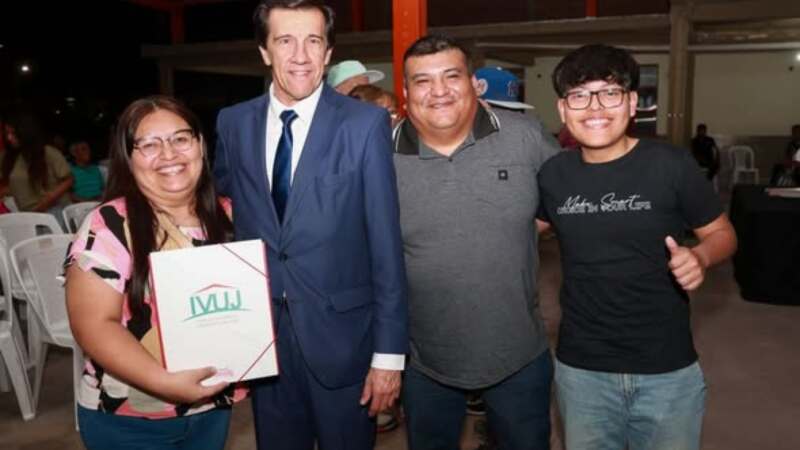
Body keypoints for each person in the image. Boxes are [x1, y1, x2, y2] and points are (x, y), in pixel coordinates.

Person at [213, 1, 408, 449]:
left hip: (344, 341)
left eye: (313, 41)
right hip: (264, 341)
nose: (300, 55)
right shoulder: (234, 123)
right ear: (265, 51)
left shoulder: (364, 124)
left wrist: (388, 355)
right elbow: (225, 199)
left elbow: (385, 243)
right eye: (285, 40)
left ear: (328, 52)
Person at [538, 44, 737, 450]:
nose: (595, 107)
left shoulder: (671, 165)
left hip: (667, 368)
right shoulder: (553, 175)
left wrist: (700, 256)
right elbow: (519, 230)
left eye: (609, 93)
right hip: (582, 371)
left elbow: (723, 233)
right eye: (579, 95)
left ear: (632, 103)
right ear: (562, 109)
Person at [393, 34, 559, 450]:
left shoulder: (524, 137)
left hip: (518, 353)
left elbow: (572, 199)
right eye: (423, 80)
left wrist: (517, 228)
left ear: (473, 83)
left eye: (452, 76)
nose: (439, 91)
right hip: (423, 359)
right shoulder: (379, 152)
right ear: (406, 92)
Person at [64, 95, 247, 450]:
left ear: (200, 145)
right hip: (129, 419)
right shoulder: (109, 225)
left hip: (213, 407)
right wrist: (165, 383)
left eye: (181, 138)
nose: (169, 154)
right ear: (127, 156)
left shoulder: (230, 215)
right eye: (149, 144)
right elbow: (94, 325)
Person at [0, 112, 73, 215]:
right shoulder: (6, 157)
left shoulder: (47, 152)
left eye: (13, 133)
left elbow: (69, 180)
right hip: (27, 214)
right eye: (7, 133)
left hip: (54, 209)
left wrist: (49, 199)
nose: (9, 138)